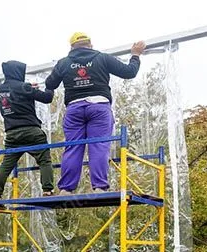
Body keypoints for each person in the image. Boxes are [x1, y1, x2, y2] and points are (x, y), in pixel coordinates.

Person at [45, 32, 146, 195]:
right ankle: (99, 187)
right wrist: (135, 55)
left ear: (71, 47)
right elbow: (129, 72)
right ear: (90, 44)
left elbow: (50, 83)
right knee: (98, 145)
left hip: (74, 108)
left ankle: (66, 189)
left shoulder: (64, 63)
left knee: (73, 147)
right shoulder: (102, 58)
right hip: (99, 106)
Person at [0, 60, 55, 203]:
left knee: (6, 165)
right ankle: (47, 190)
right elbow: (47, 98)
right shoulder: (23, 87)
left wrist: (28, 88)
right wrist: (50, 87)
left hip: (11, 134)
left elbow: (16, 91)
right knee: (44, 160)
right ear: (17, 72)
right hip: (31, 130)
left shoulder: (1, 89)